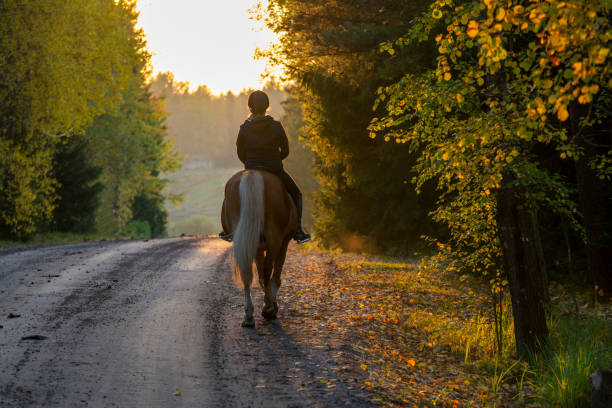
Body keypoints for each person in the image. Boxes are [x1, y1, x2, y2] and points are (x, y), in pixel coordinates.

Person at [220, 90, 311, 244]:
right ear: (267, 107)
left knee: (230, 190)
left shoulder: (244, 128)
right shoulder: (276, 126)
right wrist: (275, 160)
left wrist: (251, 163)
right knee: (297, 194)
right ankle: (298, 230)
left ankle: (228, 230)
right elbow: (286, 150)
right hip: (274, 169)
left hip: (251, 168)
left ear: (250, 107)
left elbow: (240, 153)